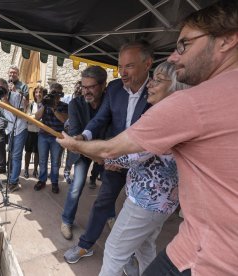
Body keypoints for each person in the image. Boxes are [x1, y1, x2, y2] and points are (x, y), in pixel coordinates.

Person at [58, 2, 238, 275]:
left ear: (226, 41)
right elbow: (102, 122)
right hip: (173, 214)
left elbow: (115, 150)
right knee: (142, 242)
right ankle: (96, 247)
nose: (176, 57)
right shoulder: (119, 90)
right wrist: (86, 135)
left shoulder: (187, 103)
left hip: (181, 228)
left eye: (184, 45)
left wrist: (76, 145)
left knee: (116, 250)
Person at [62, 40, 153, 264]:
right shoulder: (114, 88)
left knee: (138, 213)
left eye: (129, 66)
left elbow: (153, 136)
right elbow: (101, 118)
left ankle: (130, 257)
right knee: (103, 202)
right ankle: (85, 245)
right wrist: (84, 136)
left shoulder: (158, 90)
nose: (122, 72)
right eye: (120, 66)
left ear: (148, 64)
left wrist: (122, 158)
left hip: (146, 163)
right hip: (116, 157)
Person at [99, 61, 190, 276]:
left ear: (176, 86)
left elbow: (135, 152)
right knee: (145, 246)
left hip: (147, 201)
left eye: (158, 80)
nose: (149, 84)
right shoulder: (179, 116)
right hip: (162, 203)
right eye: (152, 78)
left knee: (114, 251)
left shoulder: (166, 117)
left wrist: (103, 154)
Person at [60, 66, 107, 240]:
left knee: (108, 188)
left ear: (103, 85)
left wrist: (102, 153)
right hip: (82, 150)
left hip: (105, 148)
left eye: (91, 87)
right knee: (76, 186)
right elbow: (75, 136)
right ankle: (66, 220)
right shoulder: (75, 104)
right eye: (83, 86)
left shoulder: (109, 101)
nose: (85, 91)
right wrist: (92, 151)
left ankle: (109, 216)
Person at [34, 82, 68, 194]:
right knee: (42, 160)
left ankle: (54, 182)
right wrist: (44, 104)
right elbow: (37, 118)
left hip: (56, 137)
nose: (54, 95)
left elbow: (63, 120)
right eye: (52, 92)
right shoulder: (44, 103)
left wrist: (54, 107)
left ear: (60, 94)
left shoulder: (64, 106)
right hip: (43, 135)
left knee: (55, 162)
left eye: (56, 93)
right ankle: (42, 180)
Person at [3, 65, 29, 192]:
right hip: (10, 126)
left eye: (14, 73)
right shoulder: (5, 85)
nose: (12, 75)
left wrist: (15, 91)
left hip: (20, 127)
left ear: (18, 74)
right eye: (10, 72)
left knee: (17, 155)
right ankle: (10, 176)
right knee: (11, 154)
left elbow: (25, 105)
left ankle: (14, 181)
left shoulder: (23, 86)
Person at [23, 86, 46, 179]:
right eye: (36, 92)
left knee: (37, 153)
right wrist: (36, 119)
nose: (38, 94)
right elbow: (27, 118)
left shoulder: (45, 105)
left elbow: (44, 119)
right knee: (28, 152)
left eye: (40, 92)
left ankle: (35, 169)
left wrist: (34, 118)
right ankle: (26, 169)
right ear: (34, 94)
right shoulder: (31, 105)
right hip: (30, 131)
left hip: (40, 133)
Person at [63, 81, 83, 185]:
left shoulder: (83, 101)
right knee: (67, 153)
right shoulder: (66, 98)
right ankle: (66, 171)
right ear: (74, 87)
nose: (79, 89)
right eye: (77, 86)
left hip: (78, 131)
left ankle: (72, 174)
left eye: (81, 87)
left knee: (75, 153)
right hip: (66, 130)